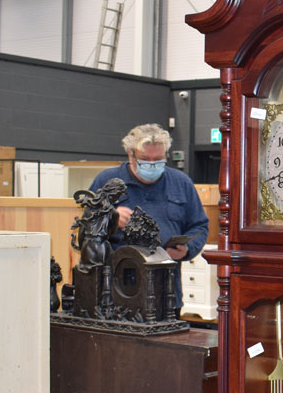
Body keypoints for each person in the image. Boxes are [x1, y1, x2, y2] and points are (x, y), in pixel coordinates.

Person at [89, 124, 209, 314]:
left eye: (158, 160)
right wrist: (110, 217)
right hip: (117, 291)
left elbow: (200, 226)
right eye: (145, 160)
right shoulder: (107, 181)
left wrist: (187, 250)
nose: (152, 165)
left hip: (166, 291)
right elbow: (86, 228)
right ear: (131, 155)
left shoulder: (181, 183)